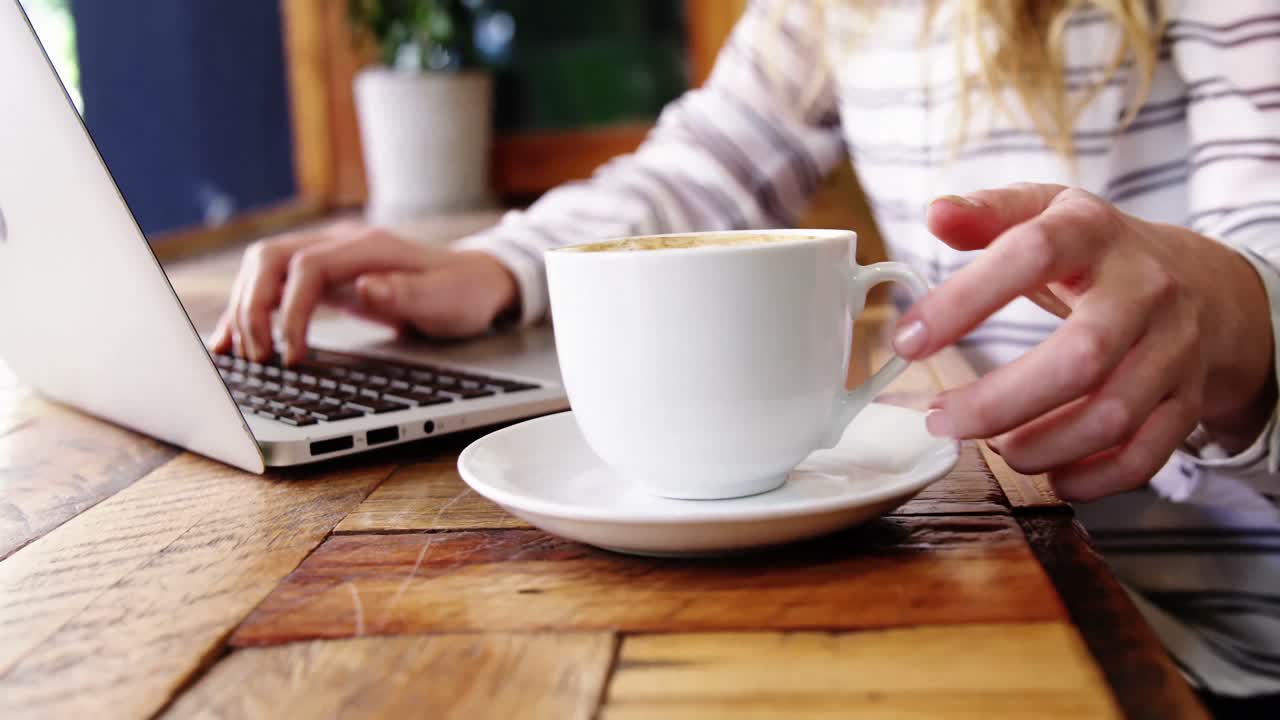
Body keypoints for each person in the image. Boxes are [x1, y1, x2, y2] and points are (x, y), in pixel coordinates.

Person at [209, 0, 1280, 709]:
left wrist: (1234, 319)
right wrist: (497, 263)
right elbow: (703, 161)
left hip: (1210, 634)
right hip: (997, 583)